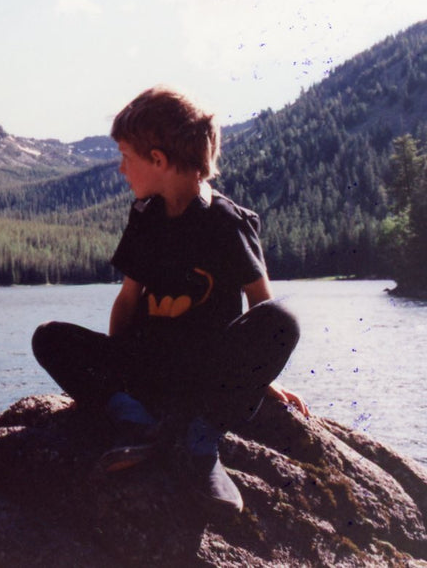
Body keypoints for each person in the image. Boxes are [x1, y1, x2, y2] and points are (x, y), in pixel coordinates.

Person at [31, 85, 308, 514]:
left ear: (157, 160)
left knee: (283, 320)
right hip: (147, 371)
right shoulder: (146, 218)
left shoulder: (226, 222)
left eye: (126, 157)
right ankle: (138, 424)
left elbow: (263, 307)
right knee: (49, 338)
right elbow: (127, 302)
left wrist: (260, 379)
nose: (121, 169)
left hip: (205, 379)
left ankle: (199, 442)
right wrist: (116, 371)